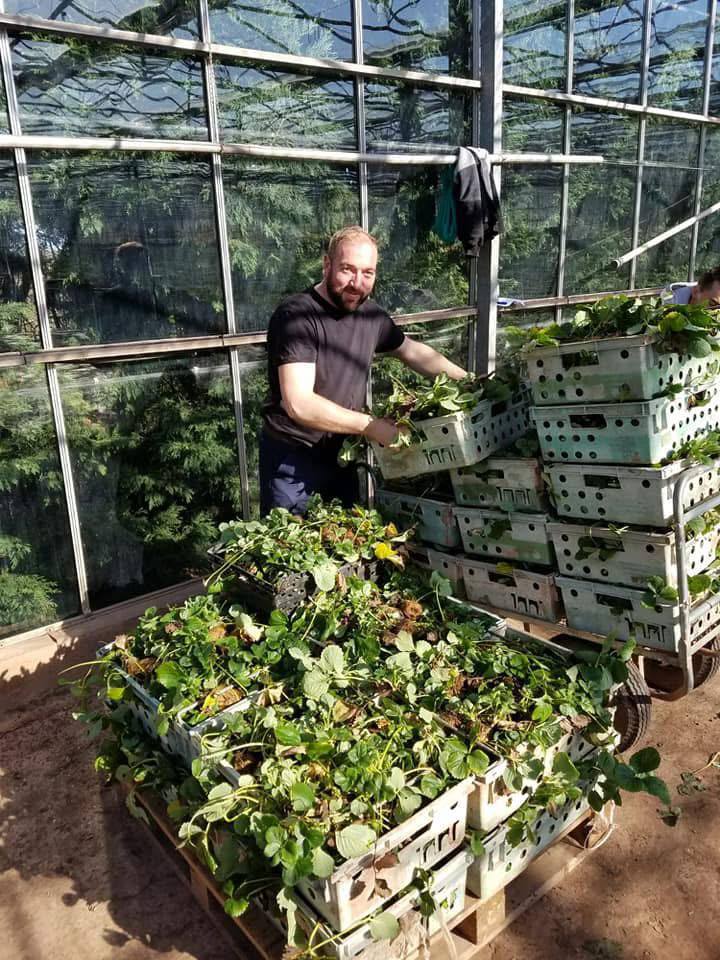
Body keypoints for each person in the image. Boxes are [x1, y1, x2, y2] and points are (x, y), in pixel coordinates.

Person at [259, 225, 468, 515]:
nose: (357, 283)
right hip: (293, 459)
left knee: (345, 535)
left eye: (367, 273)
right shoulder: (297, 317)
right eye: (347, 270)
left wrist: (469, 382)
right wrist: (372, 426)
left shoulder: (371, 316)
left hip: (341, 454)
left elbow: (413, 352)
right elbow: (299, 404)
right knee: (291, 540)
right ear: (327, 265)